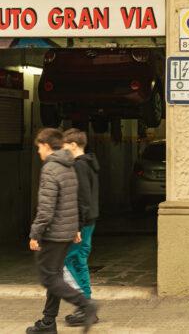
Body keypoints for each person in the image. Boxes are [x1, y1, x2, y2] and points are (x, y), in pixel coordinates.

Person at [27, 128, 98, 334]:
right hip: (67, 232)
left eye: (39, 147)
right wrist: (75, 227)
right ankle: (48, 322)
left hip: (54, 233)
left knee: (48, 278)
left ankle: (85, 305)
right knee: (54, 276)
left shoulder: (51, 168)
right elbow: (74, 200)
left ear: (47, 146)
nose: (38, 152)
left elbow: (46, 208)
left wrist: (35, 233)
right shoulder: (69, 165)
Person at [62, 128, 100, 327]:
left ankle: (86, 306)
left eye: (65, 146)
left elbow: (82, 197)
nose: (63, 149)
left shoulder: (79, 166)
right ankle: (87, 307)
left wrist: (77, 225)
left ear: (74, 145)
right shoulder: (90, 163)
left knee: (71, 259)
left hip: (83, 222)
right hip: (90, 220)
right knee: (79, 260)